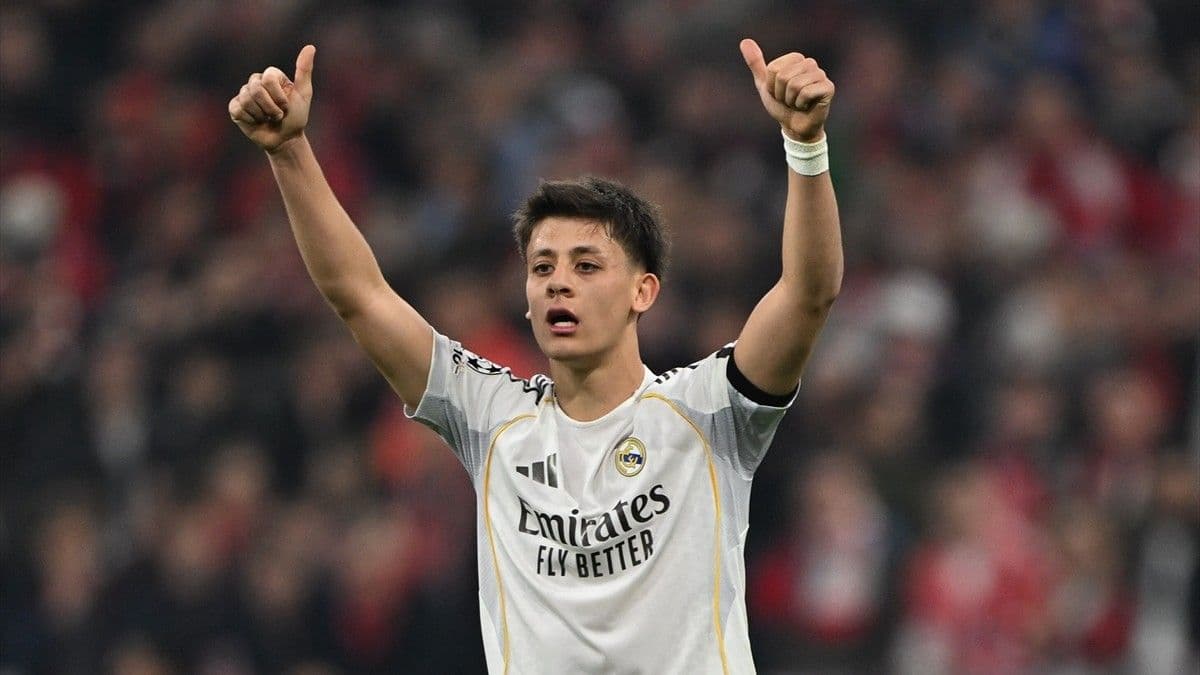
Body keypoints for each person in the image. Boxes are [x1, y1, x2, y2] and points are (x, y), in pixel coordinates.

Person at [228, 38, 841, 674]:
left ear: (643, 291)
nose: (557, 283)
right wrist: (289, 150)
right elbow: (360, 296)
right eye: (542, 267)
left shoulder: (707, 410)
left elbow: (808, 295)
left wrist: (805, 145)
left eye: (586, 266)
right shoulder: (490, 415)